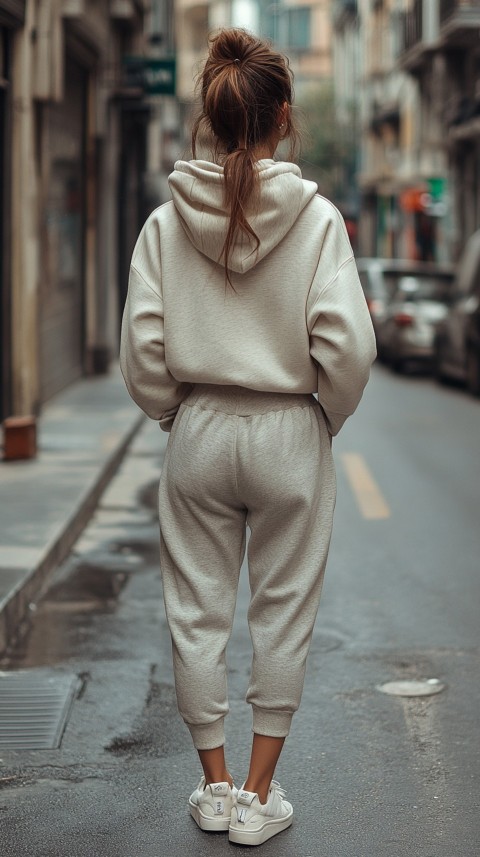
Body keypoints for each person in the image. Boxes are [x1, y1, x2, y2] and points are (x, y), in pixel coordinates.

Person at [120, 27, 376, 847]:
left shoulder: (164, 225)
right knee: (283, 612)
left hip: (199, 426)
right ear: (283, 118)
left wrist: (176, 411)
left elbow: (142, 349)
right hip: (289, 429)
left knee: (196, 612)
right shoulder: (319, 217)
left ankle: (217, 784)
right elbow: (349, 347)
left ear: (212, 116)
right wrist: (321, 415)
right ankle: (261, 796)